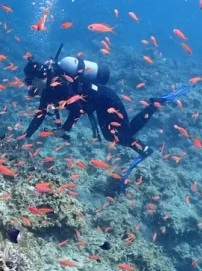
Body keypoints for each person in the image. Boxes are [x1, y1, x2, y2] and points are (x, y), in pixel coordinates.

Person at [20, 48, 190, 189]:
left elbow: (77, 111)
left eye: (31, 83)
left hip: (106, 100)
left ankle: (155, 105)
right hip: (98, 104)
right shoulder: (49, 88)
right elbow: (40, 115)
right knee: (114, 135)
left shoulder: (60, 86)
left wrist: (64, 129)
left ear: (37, 78)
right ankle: (143, 148)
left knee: (123, 132)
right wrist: (25, 136)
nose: (31, 88)